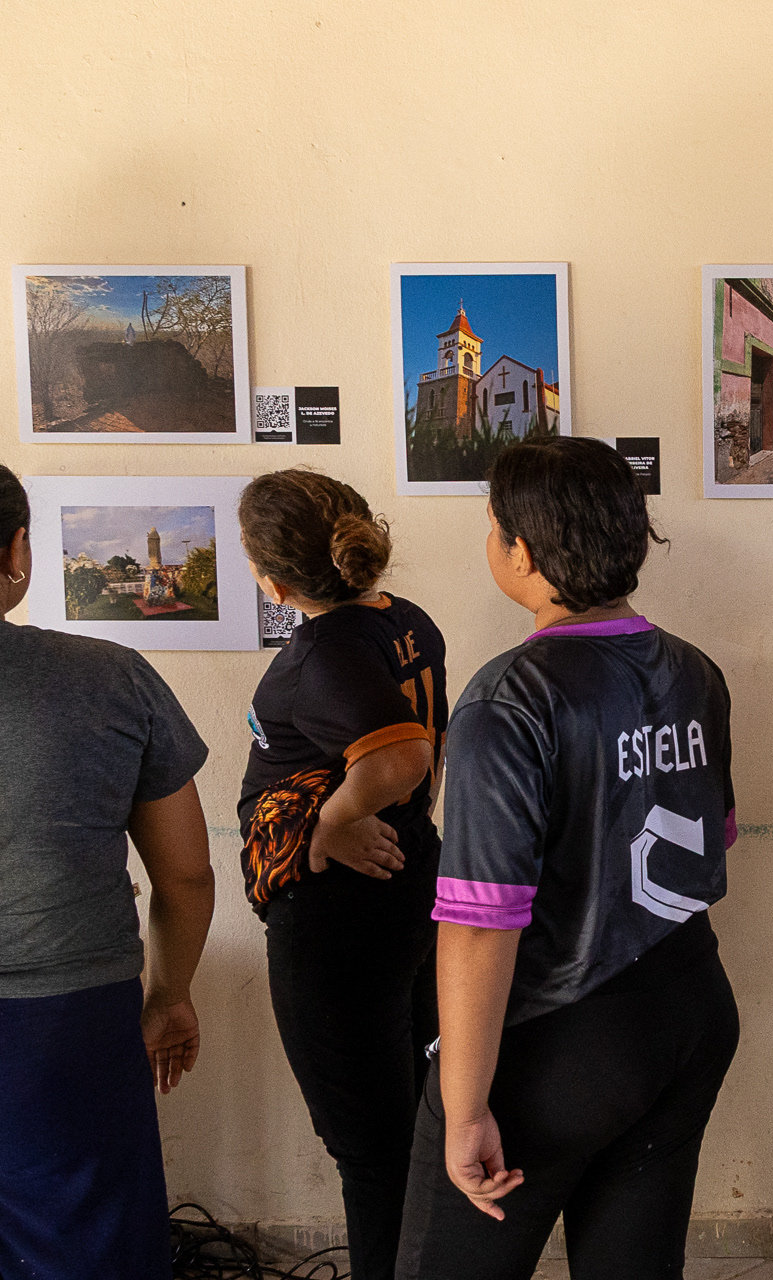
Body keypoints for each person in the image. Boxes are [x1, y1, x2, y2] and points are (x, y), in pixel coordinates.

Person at [397, 437, 738, 1280]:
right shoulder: (696, 672)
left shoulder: (509, 698)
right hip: (687, 1007)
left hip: (558, 1041)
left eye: (492, 527)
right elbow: (716, 835)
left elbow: (482, 926)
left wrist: (466, 1103)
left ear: (522, 549)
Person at [0, 463, 216, 1279]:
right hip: (62, 1023)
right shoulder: (111, 679)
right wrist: (169, 995)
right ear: (18, 549)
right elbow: (187, 876)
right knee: (85, 1244)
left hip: (56, 1018)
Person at [238, 470, 448, 1280]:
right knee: (413, 1123)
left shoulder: (323, 651)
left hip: (341, 921)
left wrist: (334, 822)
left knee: (372, 1152)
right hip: (405, 889)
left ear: (274, 579)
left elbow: (403, 755)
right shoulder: (405, 619)